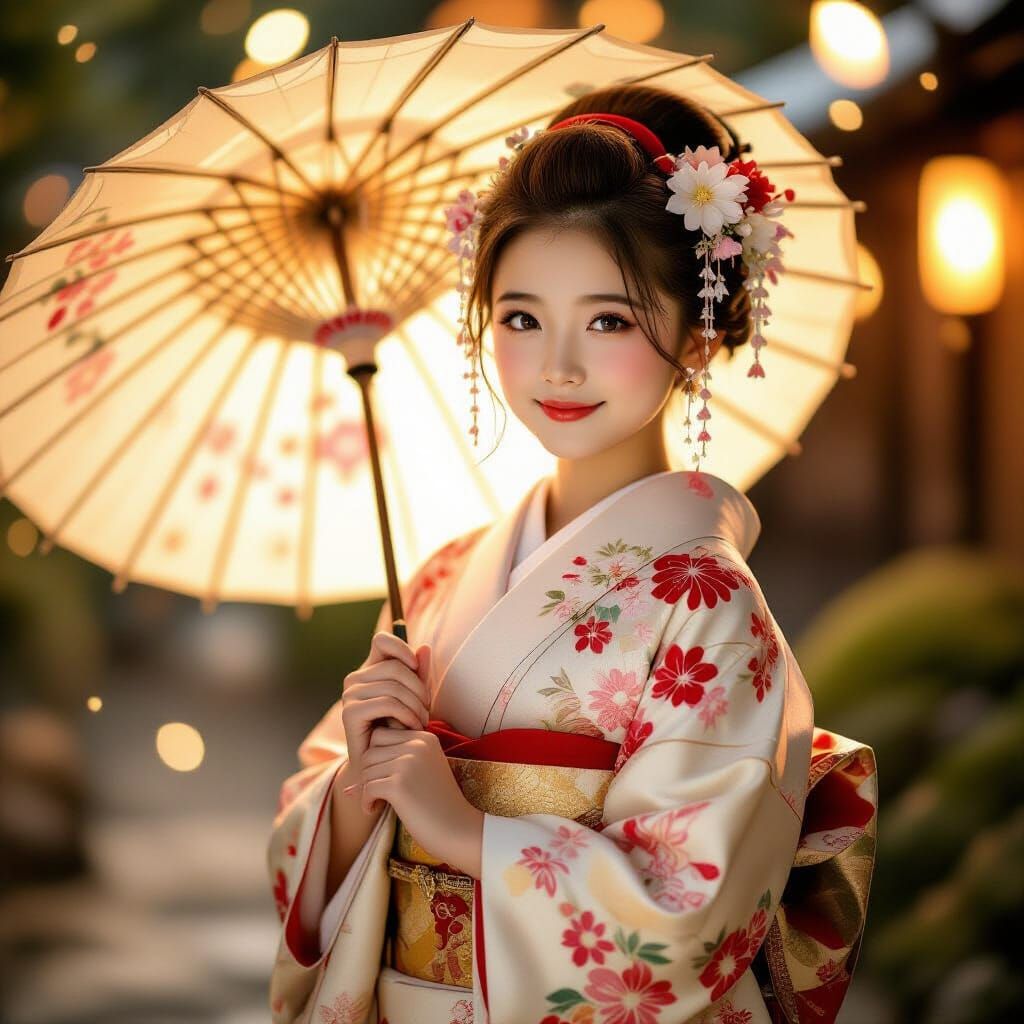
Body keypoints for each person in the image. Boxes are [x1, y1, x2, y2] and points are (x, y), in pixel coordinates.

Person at [266, 85, 878, 1024]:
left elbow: (693, 917)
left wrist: (465, 832)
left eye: (609, 320)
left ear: (702, 332)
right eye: (519, 318)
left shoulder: (710, 605)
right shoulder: (439, 578)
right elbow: (309, 836)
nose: (556, 365)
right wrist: (360, 785)